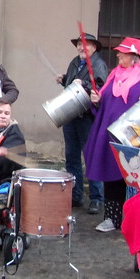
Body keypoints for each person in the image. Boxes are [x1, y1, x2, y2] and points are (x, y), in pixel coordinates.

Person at [83, 37, 140, 233]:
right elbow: (106, 103)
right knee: (112, 177)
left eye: (122, 53)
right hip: (114, 136)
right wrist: (97, 100)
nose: (118, 55)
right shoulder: (114, 74)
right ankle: (112, 219)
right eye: (119, 52)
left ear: (134, 56)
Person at [56, 32, 109, 213]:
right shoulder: (74, 63)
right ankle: (76, 195)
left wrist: (85, 84)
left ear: (93, 47)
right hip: (70, 115)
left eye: (85, 45)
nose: (81, 47)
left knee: (91, 157)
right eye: (79, 44)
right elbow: (71, 85)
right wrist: (64, 79)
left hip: (87, 117)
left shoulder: (98, 64)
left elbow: (101, 88)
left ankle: (96, 198)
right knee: (71, 158)